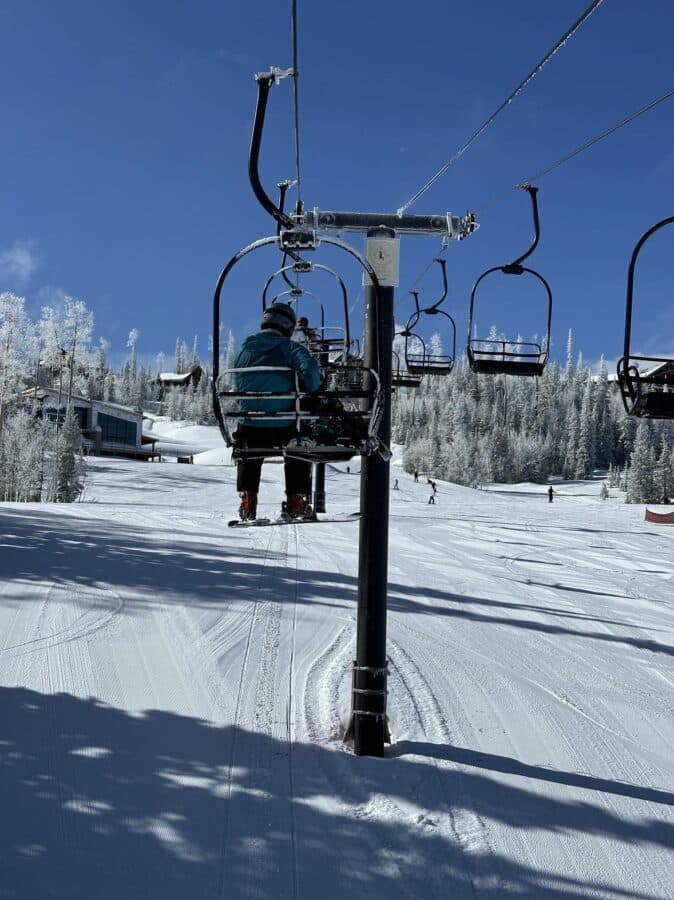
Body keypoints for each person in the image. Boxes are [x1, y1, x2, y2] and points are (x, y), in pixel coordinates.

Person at [233, 303, 321, 521]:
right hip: (284, 426)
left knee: (248, 447)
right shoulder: (290, 348)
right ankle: (295, 501)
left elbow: (237, 385)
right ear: (288, 326)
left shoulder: (243, 351)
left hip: (250, 427)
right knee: (299, 441)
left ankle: (248, 499)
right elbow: (311, 374)